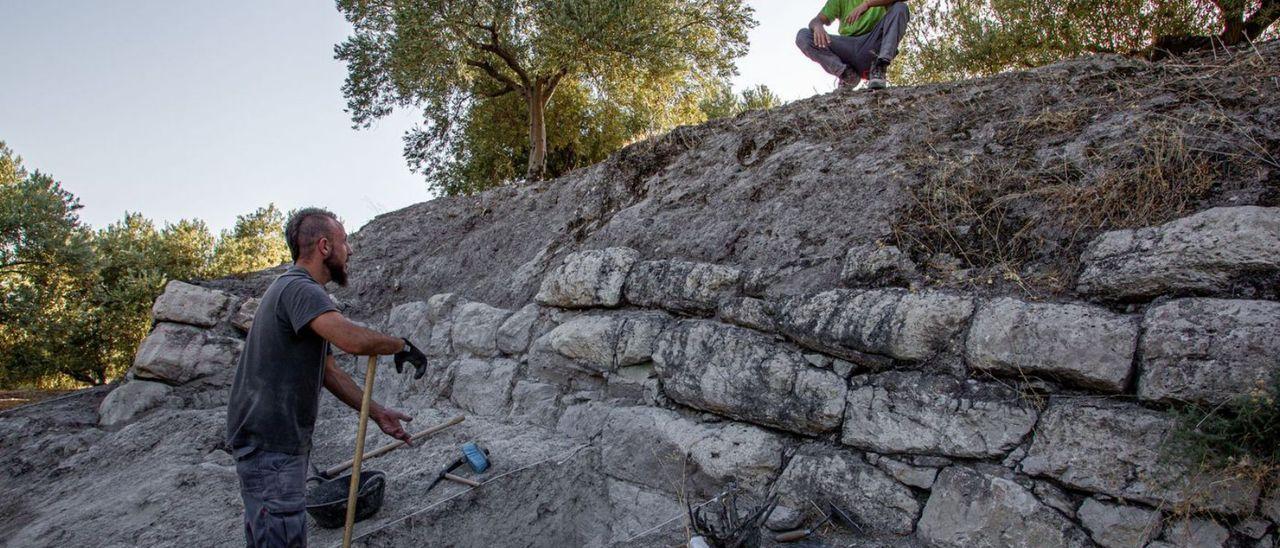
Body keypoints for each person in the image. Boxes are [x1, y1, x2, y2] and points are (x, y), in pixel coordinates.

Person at [225, 207, 430, 547]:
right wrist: (400, 345)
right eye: (344, 242)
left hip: (273, 443)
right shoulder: (300, 289)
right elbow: (353, 340)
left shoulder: (293, 292)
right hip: (270, 445)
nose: (349, 251)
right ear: (324, 246)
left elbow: (329, 372)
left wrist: (377, 412)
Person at [796, 0, 911, 89]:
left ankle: (880, 66)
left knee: (900, 8)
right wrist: (818, 26)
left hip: (872, 44)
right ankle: (846, 74)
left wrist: (868, 4)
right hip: (847, 48)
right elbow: (816, 20)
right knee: (803, 36)